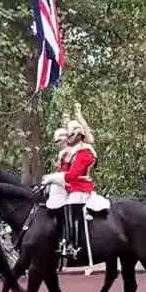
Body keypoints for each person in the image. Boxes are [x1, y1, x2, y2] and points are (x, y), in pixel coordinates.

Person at [42, 105, 95, 259]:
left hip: (81, 187)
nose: (67, 138)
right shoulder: (73, 152)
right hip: (72, 186)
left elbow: (73, 174)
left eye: (70, 135)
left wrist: (55, 178)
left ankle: (73, 244)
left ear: (78, 135)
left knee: (70, 206)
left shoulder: (84, 152)